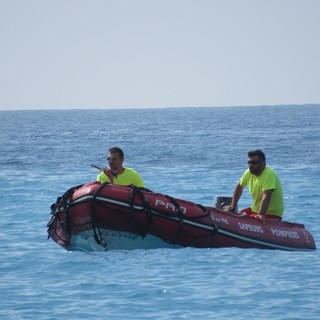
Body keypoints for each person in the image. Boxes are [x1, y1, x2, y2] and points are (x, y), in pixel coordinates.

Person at [227, 150, 284, 224]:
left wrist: (261, 214)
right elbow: (239, 186)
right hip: (254, 209)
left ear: (263, 163)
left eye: (255, 163)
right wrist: (233, 206)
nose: (251, 165)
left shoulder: (269, 174)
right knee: (233, 215)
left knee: (243, 218)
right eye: (249, 163)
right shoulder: (248, 172)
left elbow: (266, 196)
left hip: (271, 214)